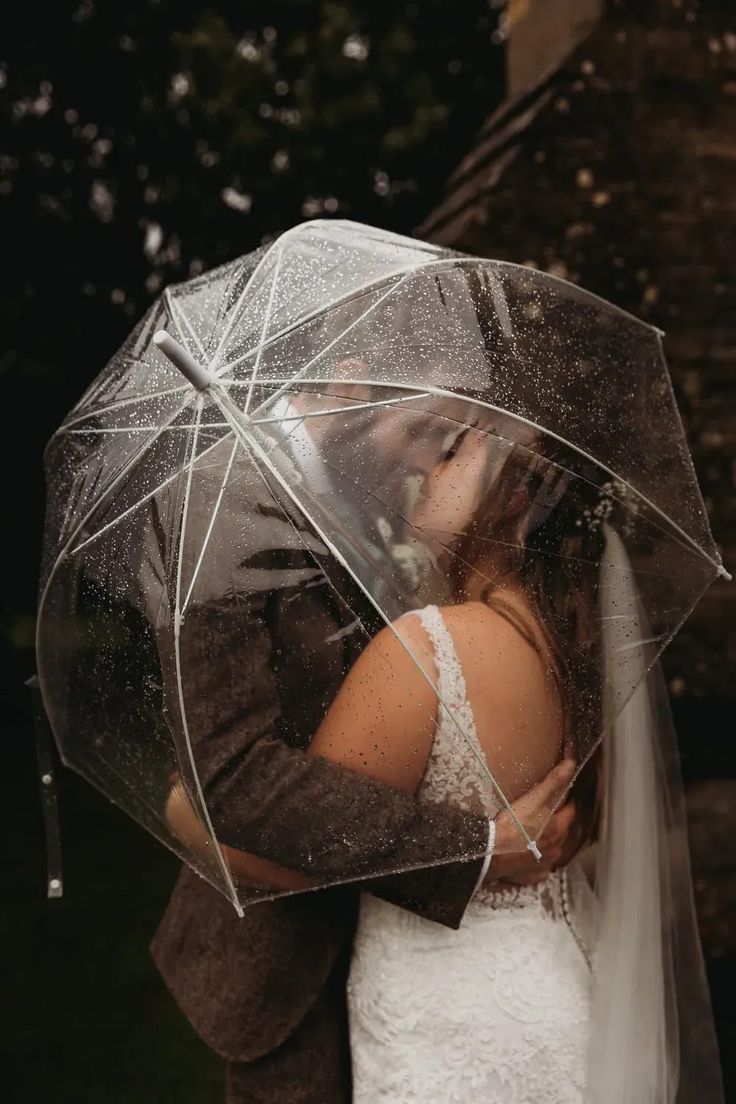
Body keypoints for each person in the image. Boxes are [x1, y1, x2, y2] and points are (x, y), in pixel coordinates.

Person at [244, 413, 724, 1101]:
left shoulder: (427, 650)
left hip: (453, 1023)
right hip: (561, 982)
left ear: (517, 498)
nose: (422, 471)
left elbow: (293, 848)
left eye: (450, 455)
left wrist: (186, 811)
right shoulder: (584, 654)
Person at [146, 374, 584, 1104]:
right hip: (288, 955)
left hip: (417, 957)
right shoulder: (215, 499)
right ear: (351, 380)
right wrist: (476, 851)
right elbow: (223, 778)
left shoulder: (375, 500)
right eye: (425, 435)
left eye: (446, 448)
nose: (422, 465)